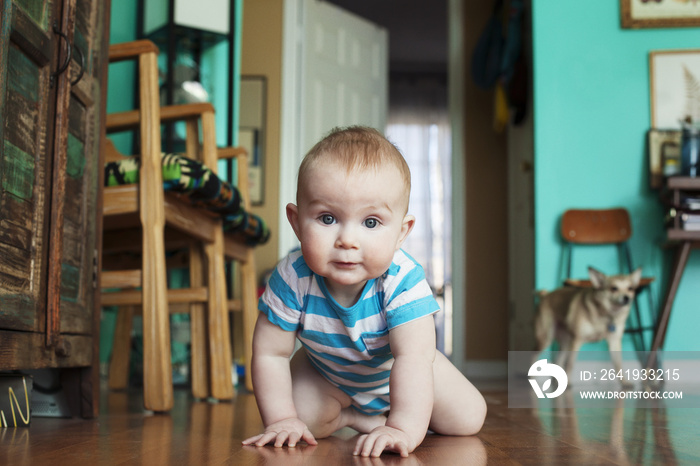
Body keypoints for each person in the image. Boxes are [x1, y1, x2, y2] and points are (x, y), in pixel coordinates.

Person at [242, 126, 486, 457]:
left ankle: (389, 416)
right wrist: (281, 419)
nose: (347, 240)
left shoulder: (402, 280)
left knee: (469, 418)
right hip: (327, 374)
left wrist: (402, 428)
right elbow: (271, 354)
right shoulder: (292, 277)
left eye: (370, 222)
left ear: (401, 233)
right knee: (297, 419)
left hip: (399, 371)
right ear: (297, 222)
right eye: (327, 218)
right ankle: (355, 416)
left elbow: (412, 359)